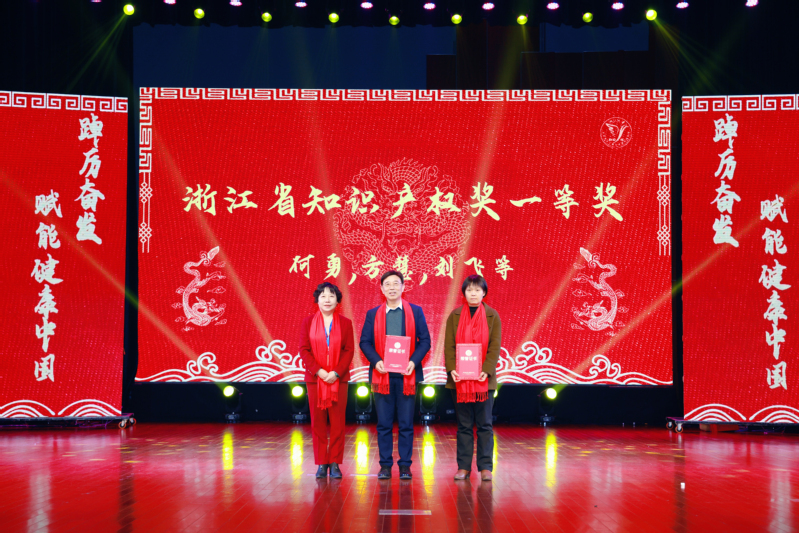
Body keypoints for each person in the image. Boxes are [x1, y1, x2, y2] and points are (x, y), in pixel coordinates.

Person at [359, 270, 431, 480]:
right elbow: (365, 342)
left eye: (396, 283)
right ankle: (385, 465)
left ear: (403, 287)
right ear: (382, 289)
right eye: (387, 284)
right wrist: (376, 361)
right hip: (382, 376)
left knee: (406, 423)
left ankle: (405, 465)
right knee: (383, 423)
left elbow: (425, 341)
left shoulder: (415, 311)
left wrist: (413, 362)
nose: (392, 287)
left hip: (407, 375)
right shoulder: (373, 314)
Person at [444, 274, 502, 481]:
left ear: (484, 292)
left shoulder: (492, 315)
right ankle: (464, 467)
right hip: (460, 381)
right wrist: (452, 369)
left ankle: (485, 467)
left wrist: (486, 369)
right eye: (469, 290)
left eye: (477, 290)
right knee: (464, 426)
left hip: (484, 380)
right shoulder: (454, 316)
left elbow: (495, 346)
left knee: (485, 424)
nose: (473, 294)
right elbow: (449, 346)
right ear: (464, 293)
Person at [298, 282, 355, 479]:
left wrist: (336, 372)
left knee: (338, 423)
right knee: (318, 423)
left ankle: (335, 462)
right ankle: (322, 463)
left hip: (339, 379)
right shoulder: (307, 322)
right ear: (317, 300)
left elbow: (349, 350)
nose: (327, 300)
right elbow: (304, 350)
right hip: (315, 379)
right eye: (323, 296)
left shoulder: (346, 323)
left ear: (338, 300)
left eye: (332, 296)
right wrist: (319, 371)